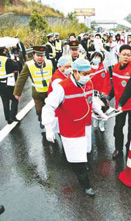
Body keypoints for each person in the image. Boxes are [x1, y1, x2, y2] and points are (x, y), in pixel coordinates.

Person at [42, 58, 107, 196]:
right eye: (84, 74)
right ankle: (86, 186)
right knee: (77, 160)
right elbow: (48, 107)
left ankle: (84, 169)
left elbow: (91, 100)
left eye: (89, 73)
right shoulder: (62, 87)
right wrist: (48, 127)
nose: (87, 76)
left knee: (86, 152)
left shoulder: (88, 83)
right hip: (70, 129)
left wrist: (100, 113)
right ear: (75, 71)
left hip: (85, 126)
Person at [107, 44, 131, 158]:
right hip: (121, 105)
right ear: (119, 54)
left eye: (129, 55)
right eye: (124, 54)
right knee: (118, 127)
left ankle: (130, 148)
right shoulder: (115, 67)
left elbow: (130, 88)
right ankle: (118, 148)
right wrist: (108, 98)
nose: (126, 57)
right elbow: (114, 86)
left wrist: (120, 103)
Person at [14, 46, 53, 129]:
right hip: (37, 92)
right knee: (39, 109)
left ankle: (47, 121)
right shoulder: (29, 65)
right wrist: (17, 93)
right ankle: (41, 117)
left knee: (49, 108)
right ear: (34, 55)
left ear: (44, 56)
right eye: (38, 55)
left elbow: (56, 75)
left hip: (49, 92)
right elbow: (21, 79)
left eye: (42, 56)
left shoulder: (50, 63)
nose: (40, 58)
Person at [47, 56, 72, 134]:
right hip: (59, 106)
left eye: (70, 66)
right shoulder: (57, 79)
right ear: (60, 66)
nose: (69, 68)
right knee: (61, 128)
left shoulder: (65, 74)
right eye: (67, 67)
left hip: (63, 105)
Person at [90, 51, 111, 131]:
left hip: (102, 92)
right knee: (95, 108)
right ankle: (95, 120)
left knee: (103, 108)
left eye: (98, 57)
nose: (97, 59)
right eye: (95, 57)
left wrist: (105, 92)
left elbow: (107, 81)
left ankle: (102, 124)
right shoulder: (88, 68)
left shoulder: (103, 67)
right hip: (92, 92)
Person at [0, 47, 21, 124]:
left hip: (0, 84)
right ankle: (12, 116)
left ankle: (8, 119)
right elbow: (17, 67)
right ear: (4, 50)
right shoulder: (7, 60)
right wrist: (15, 60)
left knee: (5, 101)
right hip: (8, 82)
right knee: (15, 99)